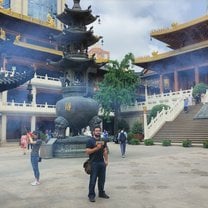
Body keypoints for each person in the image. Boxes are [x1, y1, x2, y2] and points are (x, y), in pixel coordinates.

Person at [85, 126, 109, 202]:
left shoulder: (103, 141)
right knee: (93, 180)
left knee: (102, 179)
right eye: (96, 131)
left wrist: (106, 160)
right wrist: (96, 148)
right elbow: (87, 151)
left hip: (101, 162)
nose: (98, 132)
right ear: (93, 132)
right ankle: (91, 195)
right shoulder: (90, 140)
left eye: (99, 131)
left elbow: (105, 151)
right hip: (93, 163)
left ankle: (101, 193)